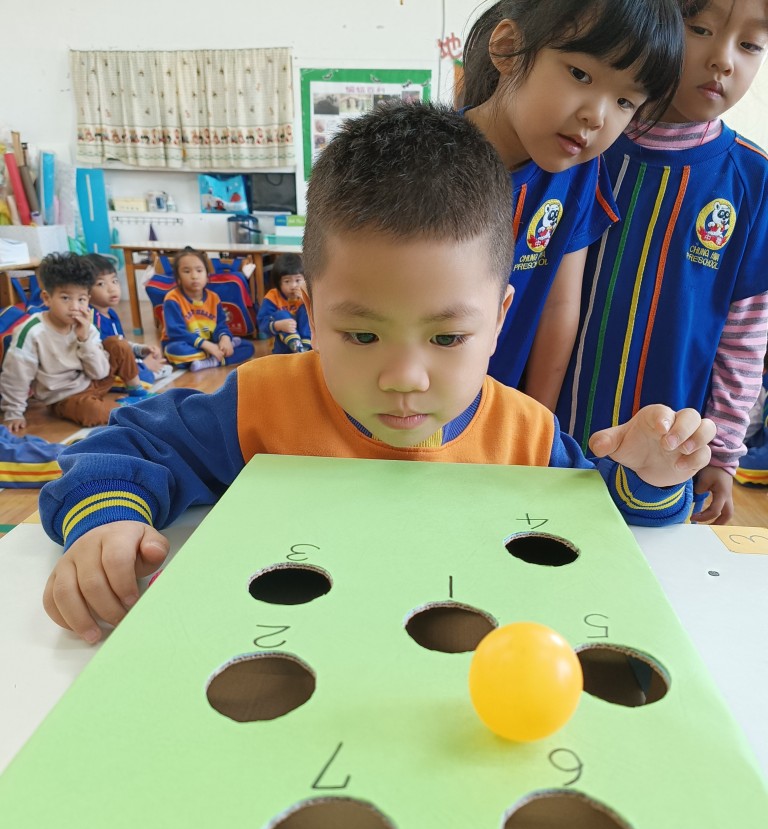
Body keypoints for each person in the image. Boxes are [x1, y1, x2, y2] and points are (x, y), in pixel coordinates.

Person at [39, 103, 714, 644]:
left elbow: (606, 516)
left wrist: (650, 475)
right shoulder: (260, 403)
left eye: (448, 337)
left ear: (499, 319)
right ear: (311, 311)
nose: (405, 378)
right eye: (361, 334)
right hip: (290, 662)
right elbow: (123, 447)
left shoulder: (527, 436)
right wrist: (105, 525)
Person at [555, 0, 768, 524]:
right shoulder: (581, 146)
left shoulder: (752, 179)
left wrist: (722, 453)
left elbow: (745, 333)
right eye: (699, 28)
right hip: (548, 432)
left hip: (667, 457)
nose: (723, 60)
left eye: (749, 45)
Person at [460, 0, 684, 395]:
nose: (597, 117)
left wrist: (539, 422)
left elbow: (558, 308)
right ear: (508, 49)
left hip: (497, 416)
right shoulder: (426, 160)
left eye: (625, 102)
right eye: (580, 74)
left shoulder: (579, 175)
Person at [0, 252, 148, 431]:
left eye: (81, 299)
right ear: (47, 298)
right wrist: (13, 413)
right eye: (65, 298)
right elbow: (16, 375)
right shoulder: (32, 332)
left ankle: (137, 392)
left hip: (94, 381)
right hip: (65, 397)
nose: (75, 307)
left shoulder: (86, 325)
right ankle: (124, 411)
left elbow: (100, 373)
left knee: (118, 344)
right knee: (94, 411)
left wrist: (84, 340)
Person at [161, 247, 254, 371]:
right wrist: (206, 345)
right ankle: (215, 355)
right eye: (187, 271)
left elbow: (220, 325)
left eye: (199, 270)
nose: (194, 276)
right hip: (184, 343)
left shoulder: (214, 298)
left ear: (207, 275)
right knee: (176, 351)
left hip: (209, 343)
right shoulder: (172, 299)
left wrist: (224, 338)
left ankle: (212, 361)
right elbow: (176, 332)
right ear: (178, 278)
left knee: (248, 347)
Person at [84, 253, 170, 385]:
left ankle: (145, 371)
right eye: (101, 284)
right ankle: (145, 373)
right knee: (144, 375)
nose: (112, 288)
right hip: (104, 369)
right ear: (85, 290)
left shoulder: (111, 313)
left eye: (114, 281)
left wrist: (142, 350)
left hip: (118, 363)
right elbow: (105, 357)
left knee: (158, 366)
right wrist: (143, 364)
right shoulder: (91, 319)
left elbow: (121, 345)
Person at [257, 253, 313, 353]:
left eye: (298, 280)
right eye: (287, 281)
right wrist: (277, 325)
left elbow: (320, 318)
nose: (293, 285)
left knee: (306, 309)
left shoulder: (308, 294)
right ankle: (298, 348)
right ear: (278, 282)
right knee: (282, 314)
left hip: (308, 343)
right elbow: (262, 323)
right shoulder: (272, 297)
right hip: (282, 347)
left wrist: (306, 300)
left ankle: (305, 349)